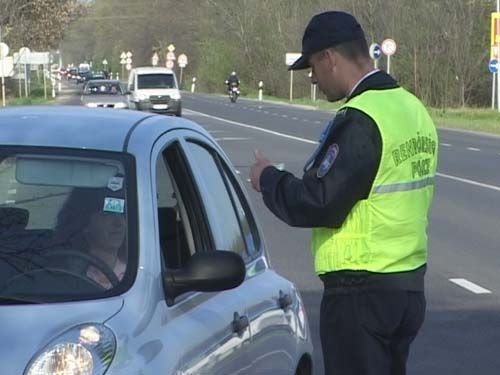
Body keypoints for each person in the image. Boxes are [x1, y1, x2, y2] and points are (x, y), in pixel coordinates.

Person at [249, 10, 438, 375]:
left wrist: (268, 179)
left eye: (312, 69)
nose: (312, 80)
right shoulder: (413, 109)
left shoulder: (362, 119)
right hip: (407, 286)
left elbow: (318, 202)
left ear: (329, 58)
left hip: (360, 291)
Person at [55, 186, 128, 289]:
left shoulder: (136, 273)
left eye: (123, 214)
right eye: (107, 214)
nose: (118, 223)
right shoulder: (63, 273)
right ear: (84, 223)